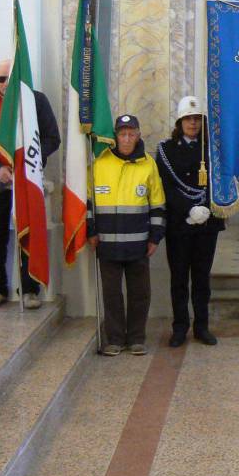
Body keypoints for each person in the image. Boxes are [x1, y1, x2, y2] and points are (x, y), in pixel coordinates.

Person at [0, 58, 60, 311]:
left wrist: (29, 161)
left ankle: (30, 290)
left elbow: (52, 138)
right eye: (0, 79)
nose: (6, 83)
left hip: (27, 183)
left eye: (10, 78)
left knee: (29, 235)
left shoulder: (36, 102)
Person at [87, 114, 166, 356]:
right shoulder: (100, 162)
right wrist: (91, 232)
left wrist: (155, 237)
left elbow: (158, 205)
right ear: (115, 136)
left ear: (139, 135)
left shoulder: (148, 164)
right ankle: (115, 339)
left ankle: (136, 338)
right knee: (111, 295)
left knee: (139, 294)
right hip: (107, 244)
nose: (127, 138)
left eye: (132, 133)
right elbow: (88, 202)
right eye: (122, 134)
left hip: (138, 245)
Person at [156, 96, 224, 348]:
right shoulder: (166, 149)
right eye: (188, 119)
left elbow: (220, 182)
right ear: (179, 122)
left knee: (202, 278)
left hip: (207, 223)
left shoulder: (212, 149)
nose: (193, 123)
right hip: (180, 224)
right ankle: (180, 327)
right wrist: (189, 209)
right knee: (179, 278)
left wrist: (205, 209)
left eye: (196, 119)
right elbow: (166, 186)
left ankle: (202, 326)